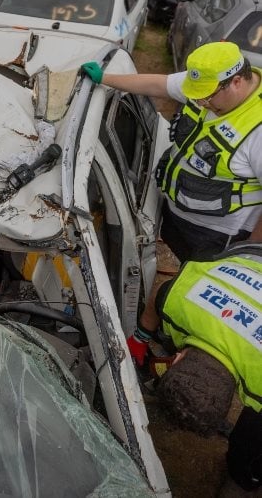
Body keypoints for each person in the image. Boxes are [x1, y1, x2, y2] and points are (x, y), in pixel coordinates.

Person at [81, 41, 262, 262]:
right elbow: (159, 85)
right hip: (179, 216)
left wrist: (249, 252)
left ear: (236, 82)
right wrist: (105, 78)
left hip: (219, 235)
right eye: (196, 97)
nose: (200, 103)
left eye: (207, 97)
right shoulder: (208, 81)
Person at [126, 241, 262, 495]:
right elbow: (160, 296)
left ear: (175, 360)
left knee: (254, 440)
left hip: (250, 256)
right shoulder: (176, 302)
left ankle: (245, 475)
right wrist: (140, 338)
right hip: (249, 257)